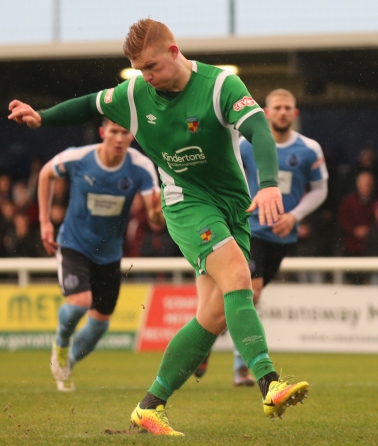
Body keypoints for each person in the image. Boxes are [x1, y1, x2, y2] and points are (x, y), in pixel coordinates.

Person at [9, 18, 309, 436]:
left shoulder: (220, 86)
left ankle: (149, 406)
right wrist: (41, 116)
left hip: (232, 208)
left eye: (150, 66)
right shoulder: (134, 95)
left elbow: (258, 129)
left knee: (214, 314)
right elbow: (89, 104)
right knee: (240, 275)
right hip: (185, 203)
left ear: (174, 52)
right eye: (138, 69)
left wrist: (271, 183)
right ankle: (268, 381)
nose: (144, 77)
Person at [37, 119, 161, 392]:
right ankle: (60, 343)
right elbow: (46, 173)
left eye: (124, 132)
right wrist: (45, 222)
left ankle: (67, 363)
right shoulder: (78, 158)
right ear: (103, 133)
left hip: (109, 254)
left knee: (99, 325)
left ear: (131, 136)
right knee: (81, 302)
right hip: (73, 245)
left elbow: (155, 217)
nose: (118, 138)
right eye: (113, 132)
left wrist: (156, 213)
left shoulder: (140, 166)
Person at [228, 88, 328, 385]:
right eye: (277, 108)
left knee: (246, 298)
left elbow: (320, 190)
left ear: (295, 113)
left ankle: (206, 340)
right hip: (251, 229)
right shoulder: (247, 146)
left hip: (283, 235)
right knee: (251, 291)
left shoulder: (309, 149)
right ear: (266, 112)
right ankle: (242, 368)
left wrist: (294, 216)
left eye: (287, 108)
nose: (282, 112)